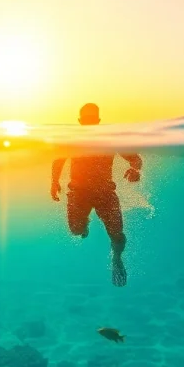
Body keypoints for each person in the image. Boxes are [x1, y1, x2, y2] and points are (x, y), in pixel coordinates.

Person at [50, 103, 142, 287]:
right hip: (79, 193)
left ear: (98, 120)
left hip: (105, 193)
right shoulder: (72, 139)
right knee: (76, 230)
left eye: (92, 119)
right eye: (86, 119)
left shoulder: (109, 139)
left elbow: (135, 158)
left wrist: (135, 169)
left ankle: (116, 257)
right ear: (80, 121)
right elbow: (58, 160)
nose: (89, 122)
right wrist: (54, 181)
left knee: (117, 234)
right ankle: (84, 224)